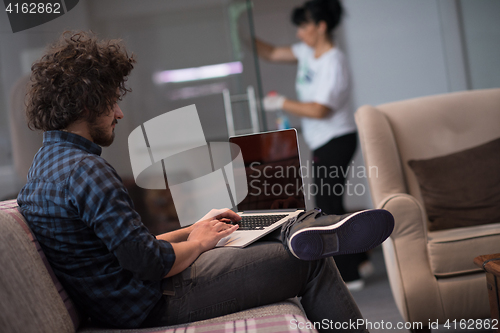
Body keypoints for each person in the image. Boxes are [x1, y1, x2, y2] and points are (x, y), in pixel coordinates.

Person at [17, 30, 392, 332]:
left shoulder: (43, 168)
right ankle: (310, 229)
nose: (118, 112)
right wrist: (196, 244)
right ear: (86, 104)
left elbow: (124, 249)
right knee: (308, 262)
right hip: (152, 301)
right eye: (112, 101)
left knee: (240, 230)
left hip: (124, 300)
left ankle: (300, 227)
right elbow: (148, 262)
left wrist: (193, 230)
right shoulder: (86, 171)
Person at [255, 0, 370, 290]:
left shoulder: (334, 61)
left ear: (321, 26)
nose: (299, 33)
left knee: (327, 207)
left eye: (304, 26)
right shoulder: (307, 52)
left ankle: (351, 274)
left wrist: (282, 102)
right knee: (332, 204)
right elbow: (269, 52)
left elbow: (320, 110)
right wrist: (239, 30)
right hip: (323, 141)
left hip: (337, 140)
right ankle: (360, 260)